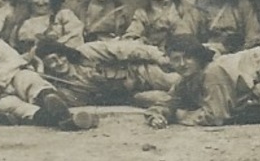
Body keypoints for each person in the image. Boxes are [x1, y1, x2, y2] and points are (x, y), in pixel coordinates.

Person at [32, 36, 179, 110]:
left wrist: (157, 57)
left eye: (61, 56)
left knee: (176, 82)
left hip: (141, 73)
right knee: (164, 100)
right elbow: (74, 101)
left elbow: (125, 49)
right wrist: (39, 70)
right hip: (131, 94)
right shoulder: (64, 87)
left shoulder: (87, 52)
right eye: (51, 61)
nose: (59, 62)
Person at [3, 0, 85, 55]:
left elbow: (76, 39)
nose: (40, 2)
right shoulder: (19, 27)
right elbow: (12, 52)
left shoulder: (63, 16)